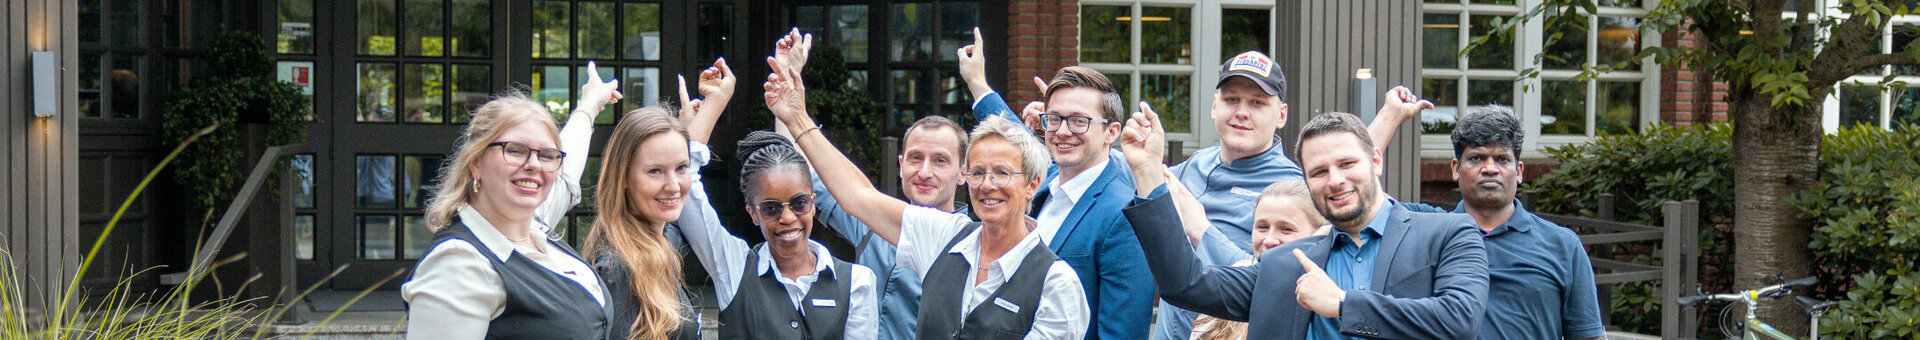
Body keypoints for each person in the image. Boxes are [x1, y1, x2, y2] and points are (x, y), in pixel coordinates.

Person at [765, 54, 1090, 339]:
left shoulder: (1056, 284)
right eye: (978, 172)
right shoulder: (944, 236)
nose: (987, 185)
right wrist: (796, 118)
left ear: (1033, 184)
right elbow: (855, 195)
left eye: (1002, 173)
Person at [1120, 107, 1489, 339]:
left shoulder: (1445, 234)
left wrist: (1343, 304)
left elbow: (1460, 320)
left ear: (1375, 160)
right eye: (1318, 172)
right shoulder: (1284, 263)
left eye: (1347, 165)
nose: (1335, 180)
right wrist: (1149, 173)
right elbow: (1186, 285)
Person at [765, 29, 969, 340]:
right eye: (915, 158)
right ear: (900, 166)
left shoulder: (972, 243)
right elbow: (796, 168)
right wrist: (788, 77)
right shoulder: (871, 224)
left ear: (964, 172)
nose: (925, 171)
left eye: (940, 161)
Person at [955, 28, 1156, 340]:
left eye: (1079, 121)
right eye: (1055, 119)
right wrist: (978, 85)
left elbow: (1124, 332)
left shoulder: (1123, 215)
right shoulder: (1045, 181)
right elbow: (1014, 143)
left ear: (1112, 132)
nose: (1063, 132)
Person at [402, 62, 622, 339]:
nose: (534, 165)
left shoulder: (534, 228)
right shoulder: (459, 264)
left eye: (546, 155)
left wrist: (589, 106)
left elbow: (566, 170)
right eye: (515, 151)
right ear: (476, 163)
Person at [1367, 91, 1606, 340]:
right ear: (1456, 169)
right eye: (1476, 158)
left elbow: (1587, 335)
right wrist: (1390, 115)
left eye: (1502, 159)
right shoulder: (1423, 228)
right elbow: (1359, 186)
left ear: (1519, 171)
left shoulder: (1562, 245)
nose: (1490, 168)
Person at [584, 57, 734, 340]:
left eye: (680, 169)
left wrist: (715, 103)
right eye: (655, 171)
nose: (673, 185)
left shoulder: (663, 238)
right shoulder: (616, 270)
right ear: (623, 178)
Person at [1184, 180, 1327, 340]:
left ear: (1319, 235)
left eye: (1286, 229)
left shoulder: (1329, 294)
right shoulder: (1234, 280)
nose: (1269, 239)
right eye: (1262, 227)